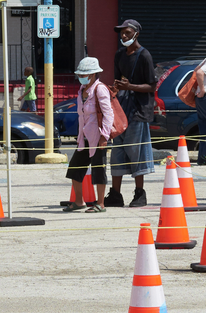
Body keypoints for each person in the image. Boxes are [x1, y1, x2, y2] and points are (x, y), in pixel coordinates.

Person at [107, 20, 158, 208]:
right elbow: (118, 81)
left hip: (138, 111)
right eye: (121, 33)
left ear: (136, 33)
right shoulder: (119, 54)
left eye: (127, 32)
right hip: (121, 110)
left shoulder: (144, 55)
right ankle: (115, 194)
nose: (123, 36)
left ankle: (139, 194)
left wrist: (130, 87)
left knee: (137, 152)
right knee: (117, 152)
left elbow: (152, 86)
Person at [67, 56, 110, 213]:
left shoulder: (100, 89)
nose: (81, 78)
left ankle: (100, 203)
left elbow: (108, 114)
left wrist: (104, 136)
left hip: (98, 137)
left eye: (83, 75)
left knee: (99, 170)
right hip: (83, 138)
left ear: (92, 75)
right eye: (79, 75)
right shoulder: (82, 91)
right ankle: (79, 201)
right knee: (75, 168)